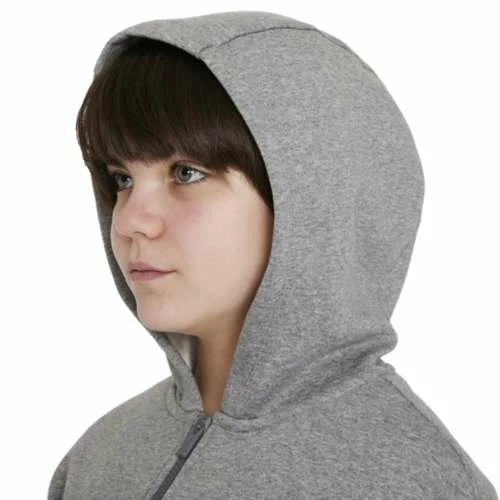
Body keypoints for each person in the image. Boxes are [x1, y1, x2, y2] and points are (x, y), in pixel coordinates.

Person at [47, 10, 498, 500]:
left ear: (312, 200)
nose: (131, 220)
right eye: (122, 180)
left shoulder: (414, 482)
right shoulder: (99, 457)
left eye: (186, 173)